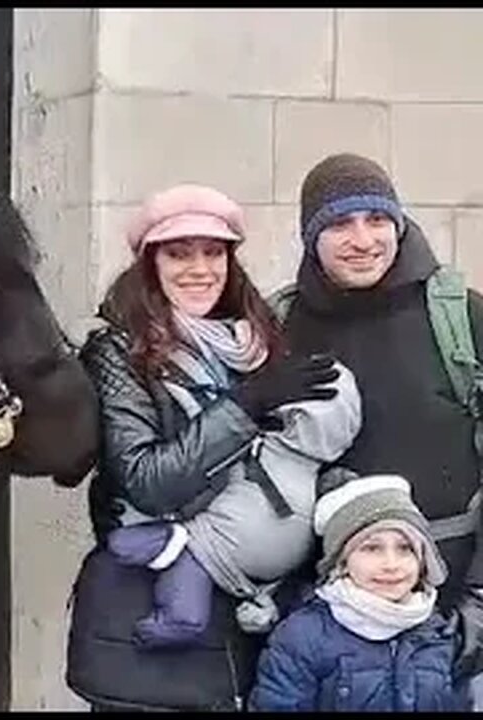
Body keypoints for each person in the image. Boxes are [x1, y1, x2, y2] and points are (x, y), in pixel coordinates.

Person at [65, 184, 348, 711]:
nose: (199, 268)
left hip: (253, 616)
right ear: (150, 264)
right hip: (151, 616)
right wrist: (244, 408)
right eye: (178, 253)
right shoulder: (118, 351)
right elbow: (147, 481)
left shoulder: (260, 340)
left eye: (213, 252)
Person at [274, 153, 483, 690]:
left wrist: (480, 599)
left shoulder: (460, 314)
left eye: (377, 219)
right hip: (324, 631)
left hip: (452, 610)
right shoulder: (279, 325)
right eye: (339, 224)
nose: (362, 239)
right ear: (310, 237)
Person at [250, 473, 468, 711]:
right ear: (341, 562)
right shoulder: (303, 637)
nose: (391, 564)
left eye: (406, 548)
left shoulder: (438, 632)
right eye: (371, 548)